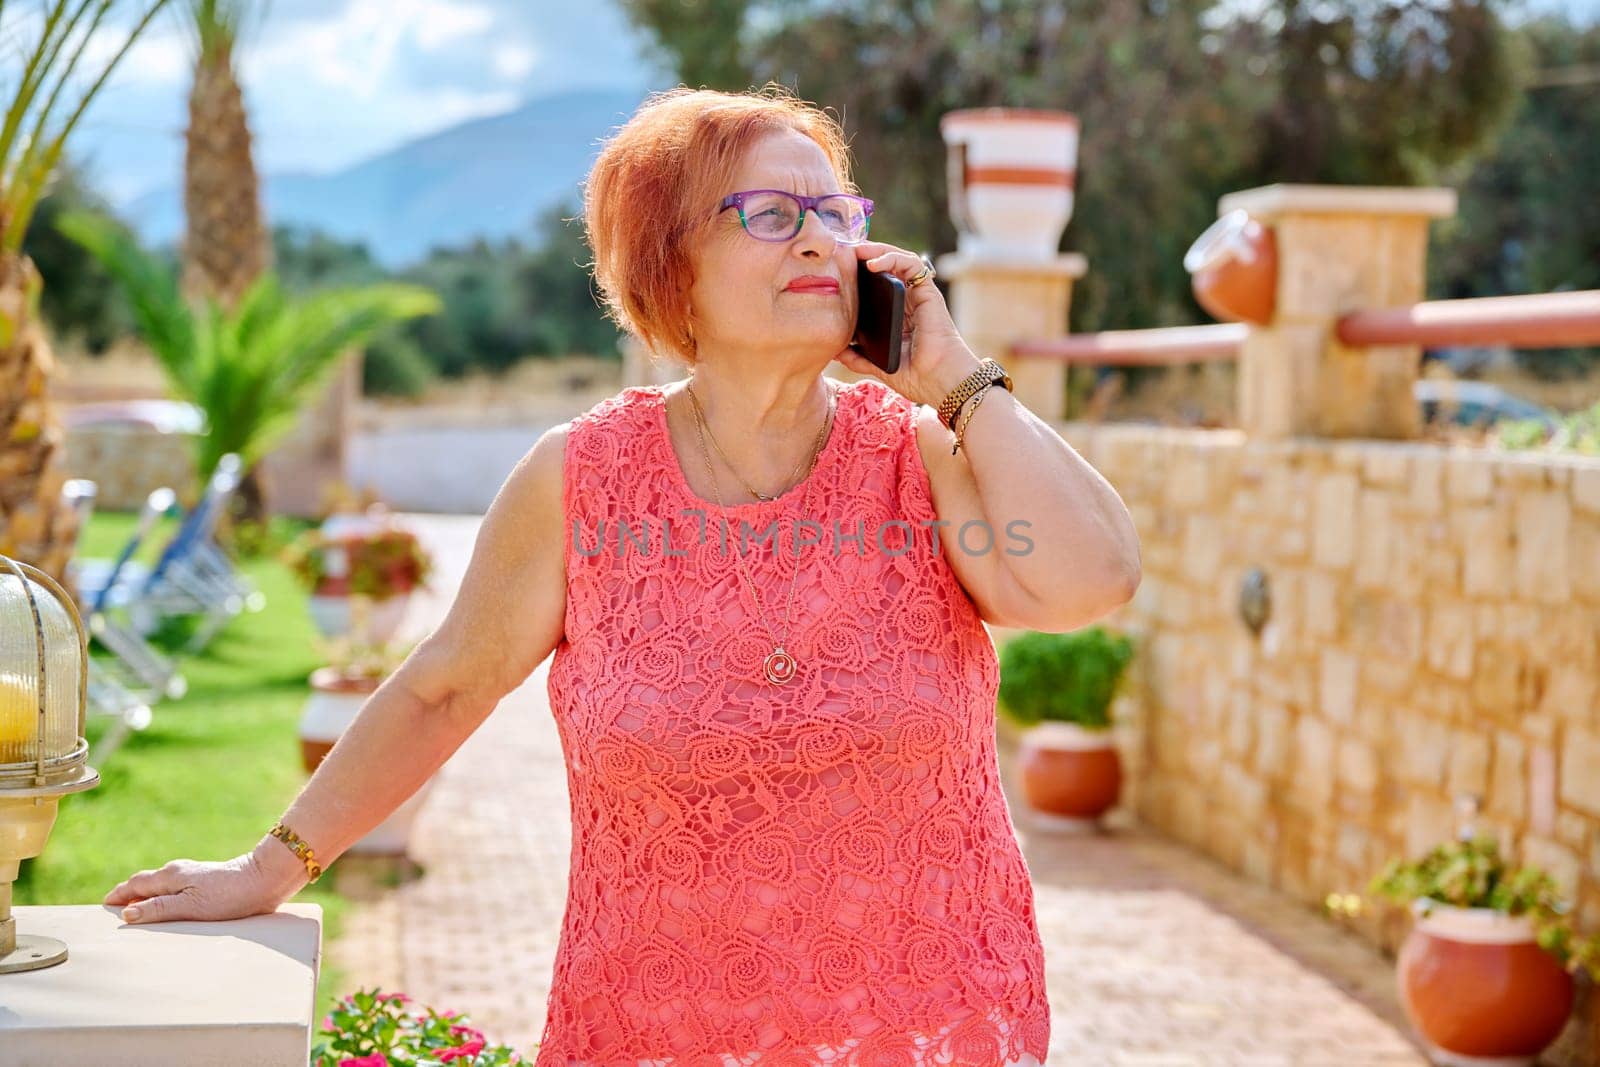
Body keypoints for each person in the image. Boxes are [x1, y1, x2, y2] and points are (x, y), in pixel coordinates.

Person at [104, 84, 1142, 1066]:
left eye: (836, 211)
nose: (823, 237)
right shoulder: (582, 480)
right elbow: (443, 684)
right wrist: (267, 866)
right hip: (654, 1022)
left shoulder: (923, 454)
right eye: (773, 213)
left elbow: (1092, 578)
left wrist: (959, 378)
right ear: (670, 262)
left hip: (930, 1024)